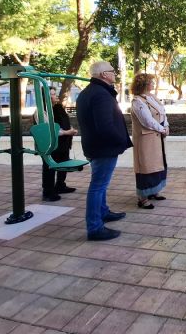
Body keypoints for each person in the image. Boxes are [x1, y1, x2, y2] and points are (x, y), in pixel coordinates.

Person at [77, 61, 132, 241]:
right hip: (103, 148)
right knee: (98, 186)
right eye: (112, 71)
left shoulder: (88, 92)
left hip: (94, 146)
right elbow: (105, 126)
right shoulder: (101, 94)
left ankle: (103, 212)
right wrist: (121, 140)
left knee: (100, 184)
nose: (114, 73)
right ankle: (94, 227)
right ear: (103, 75)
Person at [130, 73, 169, 210]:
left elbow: (162, 113)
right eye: (151, 82)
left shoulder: (153, 98)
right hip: (146, 139)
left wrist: (166, 126)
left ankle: (154, 191)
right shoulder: (137, 101)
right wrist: (161, 129)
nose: (153, 84)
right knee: (146, 167)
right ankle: (143, 198)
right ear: (145, 84)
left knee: (157, 165)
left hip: (157, 137)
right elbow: (146, 120)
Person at [35, 87, 78, 202]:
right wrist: (66, 132)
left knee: (63, 163)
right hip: (48, 144)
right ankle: (48, 192)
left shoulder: (57, 108)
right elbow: (48, 129)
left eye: (54, 93)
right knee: (49, 167)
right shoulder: (41, 111)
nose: (56, 96)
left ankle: (60, 185)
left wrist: (70, 130)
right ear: (45, 98)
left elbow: (63, 123)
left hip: (62, 143)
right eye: (52, 94)